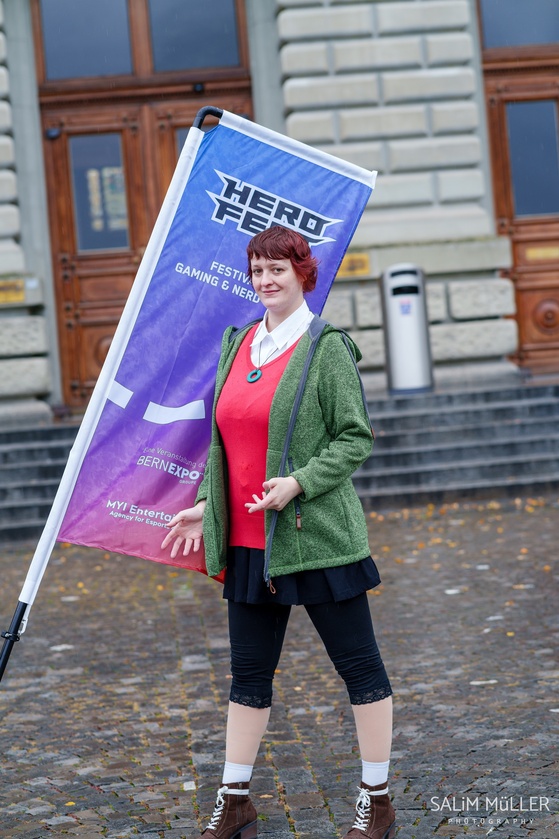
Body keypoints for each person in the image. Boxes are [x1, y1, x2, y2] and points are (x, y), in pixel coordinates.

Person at [161, 226, 395, 839]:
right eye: (257, 270)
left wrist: (299, 482)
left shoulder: (326, 347)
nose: (266, 280)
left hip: (315, 537)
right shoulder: (237, 343)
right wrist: (208, 503)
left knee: (360, 670)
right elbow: (224, 440)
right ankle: (235, 800)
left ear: (303, 273)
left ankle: (377, 798)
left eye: (278, 269)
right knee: (247, 676)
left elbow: (355, 437)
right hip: (247, 544)